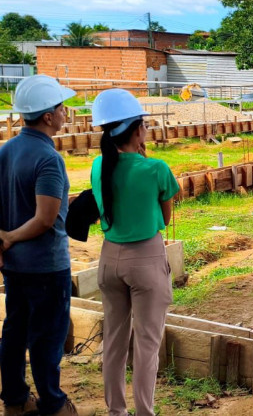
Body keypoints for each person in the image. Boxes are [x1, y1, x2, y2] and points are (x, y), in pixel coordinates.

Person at [0, 75, 94, 416]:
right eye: (60, 107)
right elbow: (45, 218)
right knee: (46, 338)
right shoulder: (48, 159)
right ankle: (53, 404)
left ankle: (15, 401)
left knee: (14, 332)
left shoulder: (1, 153)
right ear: (47, 116)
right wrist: (8, 237)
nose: (65, 112)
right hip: (46, 266)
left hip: (14, 266)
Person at [91, 89, 180, 416]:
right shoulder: (156, 169)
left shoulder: (98, 166)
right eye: (143, 125)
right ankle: (144, 411)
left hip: (109, 259)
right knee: (146, 343)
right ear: (137, 130)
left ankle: (116, 410)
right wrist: (143, 158)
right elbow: (165, 217)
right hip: (145, 259)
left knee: (114, 341)